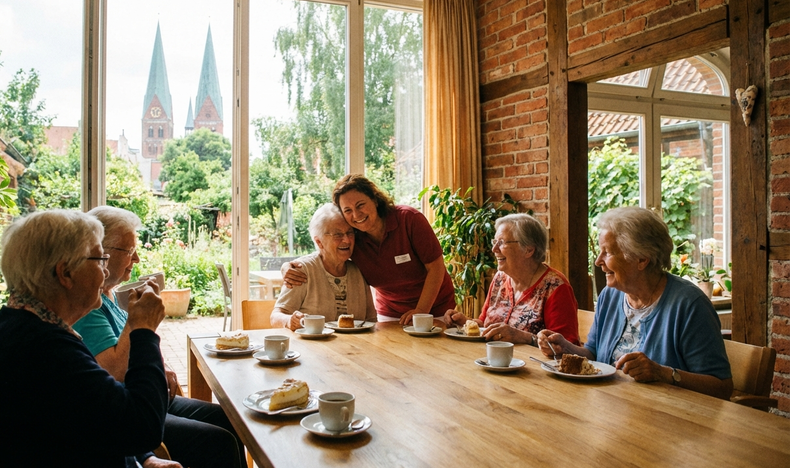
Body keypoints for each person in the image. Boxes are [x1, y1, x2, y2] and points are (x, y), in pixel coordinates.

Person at [0, 209, 189, 468]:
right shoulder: (42, 350)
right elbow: (142, 429)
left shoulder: (23, 328)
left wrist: (145, 460)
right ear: (65, 273)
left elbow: (100, 413)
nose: (104, 272)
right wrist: (143, 329)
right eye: (100, 260)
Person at [72, 206, 249, 468]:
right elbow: (115, 373)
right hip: (132, 405)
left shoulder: (106, 294)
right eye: (130, 251)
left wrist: (159, 367)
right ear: (102, 252)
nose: (138, 259)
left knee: (229, 419)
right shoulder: (90, 305)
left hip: (150, 395)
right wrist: (141, 323)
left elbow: (132, 352)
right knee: (219, 442)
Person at [539, 207, 733, 399]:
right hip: (611, 409)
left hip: (668, 419)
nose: (598, 261)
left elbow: (721, 387)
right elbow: (594, 354)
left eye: (607, 252)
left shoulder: (689, 305)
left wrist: (663, 373)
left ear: (641, 259)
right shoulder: (610, 296)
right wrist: (566, 348)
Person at [284, 174, 455, 327]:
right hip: (390, 314)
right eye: (348, 211)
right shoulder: (353, 237)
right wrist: (287, 266)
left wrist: (421, 310)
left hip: (434, 308)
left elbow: (436, 267)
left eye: (360, 205)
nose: (356, 215)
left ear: (374, 199)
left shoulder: (408, 220)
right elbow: (326, 251)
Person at [443, 213, 580, 345]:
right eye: (495, 242)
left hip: (532, 366)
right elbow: (485, 324)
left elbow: (566, 347)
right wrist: (465, 323)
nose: (494, 249)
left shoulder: (555, 287)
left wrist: (525, 338)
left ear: (528, 250)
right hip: (494, 361)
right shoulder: (500, 279)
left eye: (501, 242)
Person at [271, 203, 377, 330]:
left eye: (350, 233)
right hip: (312, 348)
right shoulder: (303, 270)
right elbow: (275, 317)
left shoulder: (359, 270)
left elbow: (371, 320)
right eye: (338, 235)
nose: (347, 240)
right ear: (319, 242)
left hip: (354, 348)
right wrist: (290, 321)